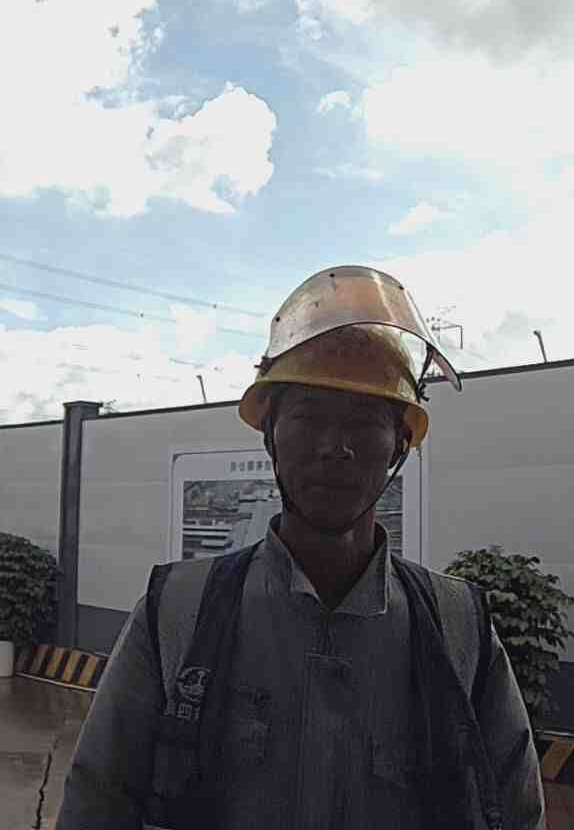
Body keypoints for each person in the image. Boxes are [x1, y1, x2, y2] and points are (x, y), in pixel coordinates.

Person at [56, 266, 546, 829]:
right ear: (270, 436)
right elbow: (96, 802)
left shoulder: (458, 627)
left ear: (399, 446)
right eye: (309, 418)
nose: (335, 447)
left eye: (364, 422)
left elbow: (517, 813)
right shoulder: (176, 613)